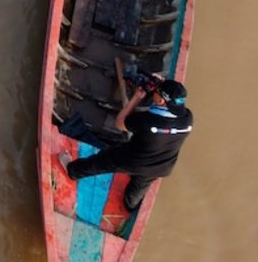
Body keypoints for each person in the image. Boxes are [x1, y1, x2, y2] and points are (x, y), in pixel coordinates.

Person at [60, 77, 193, 211]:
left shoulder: (146, 121)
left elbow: (120, 123)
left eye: (156, 92)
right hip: (162, 166)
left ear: (161, 100)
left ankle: (73, 171)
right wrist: (162, 85)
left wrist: (136, 97)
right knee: (137, 190)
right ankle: (130, 206)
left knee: (103, 160)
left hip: (134, 160)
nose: (154, 93)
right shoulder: (188, 119)